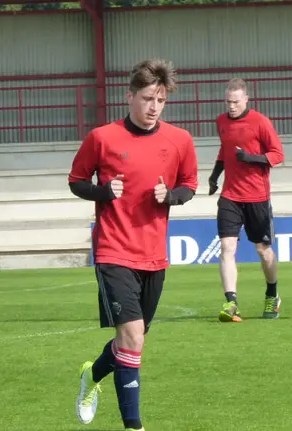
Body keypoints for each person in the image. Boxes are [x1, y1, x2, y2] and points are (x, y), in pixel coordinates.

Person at [70, 58, 199, 431]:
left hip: (154, 255)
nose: (153, 107)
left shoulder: (180, 140)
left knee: (134, 341)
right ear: (129, 96)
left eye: (160, 100)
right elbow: (77, 181)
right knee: (131, 338)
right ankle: (134, 426)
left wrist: (170, 196)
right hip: (113, 249)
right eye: (146, 98)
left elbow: (189, 186)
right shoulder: (102, 138)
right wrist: (102, 191)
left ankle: (92, 375)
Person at [207, 78, 285, 322]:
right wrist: (214, 176)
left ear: (247, 100)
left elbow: (278, 154)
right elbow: (225, 150)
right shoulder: (221, 122)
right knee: (227, 247)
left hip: (257, 197)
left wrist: (250, 158)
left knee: (263, 251)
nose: (231, 106)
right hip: (230, 195)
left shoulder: (260, 122)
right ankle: (231, 302)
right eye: (228, 102)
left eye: (236, 102)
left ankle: (272, 294)